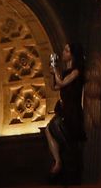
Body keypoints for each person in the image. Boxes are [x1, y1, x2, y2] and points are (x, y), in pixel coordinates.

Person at [44, 41, 84, 183]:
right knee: (49, 129)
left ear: (73, 55)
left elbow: (62, 83)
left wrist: (56, 72)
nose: (63, 53)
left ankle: (65, 161)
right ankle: (57, 160)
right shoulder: (65, 72)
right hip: (64, 108)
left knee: (57, 127)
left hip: (72, 110)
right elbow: (54, 86)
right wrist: (52, 73)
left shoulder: (76, 71)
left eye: (67, 51)